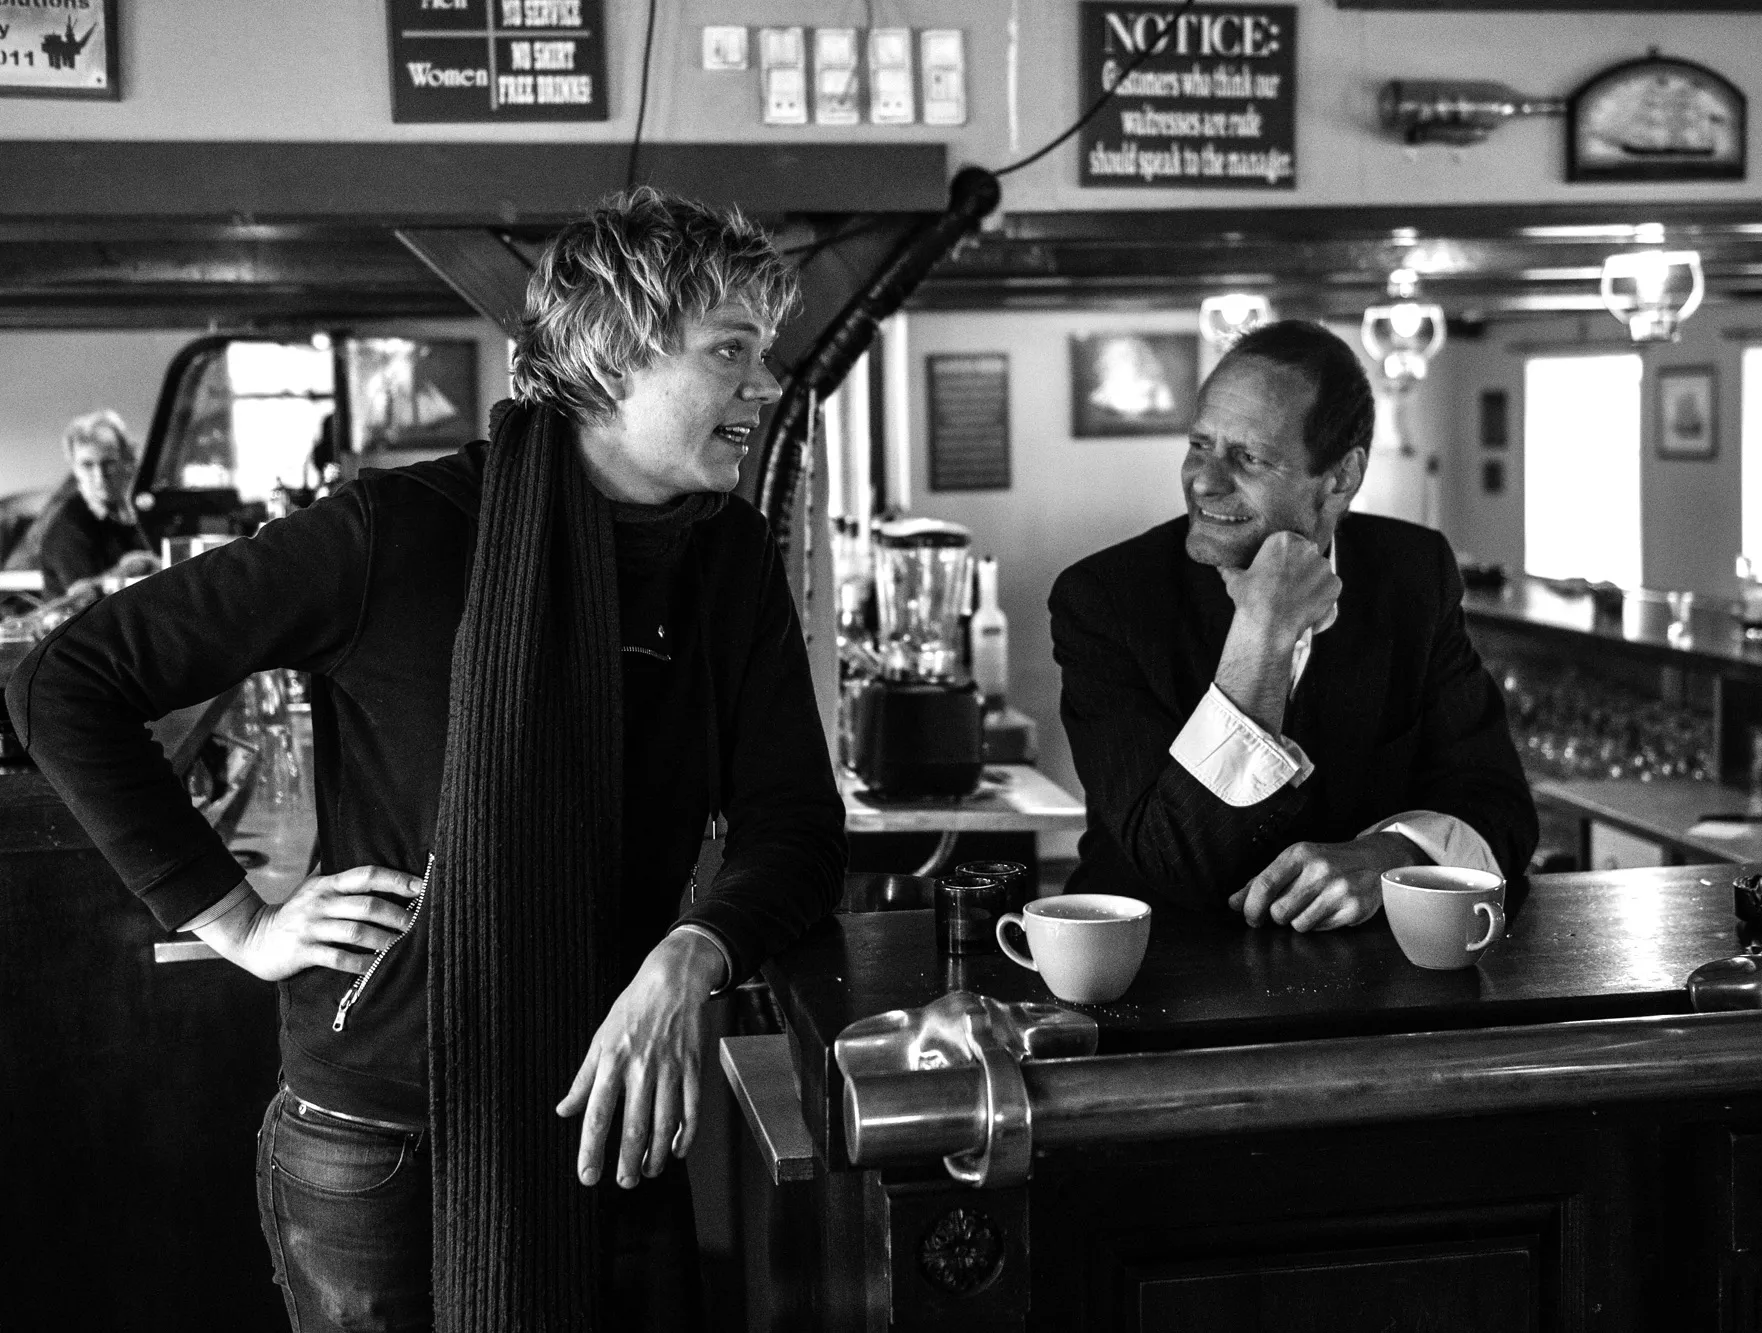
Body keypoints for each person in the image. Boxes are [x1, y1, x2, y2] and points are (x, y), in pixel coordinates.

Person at [7, 189, 846, 1331]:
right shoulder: (397, 531)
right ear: (612, 356)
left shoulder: (728, 561)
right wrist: (237, 921)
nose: (768, 384)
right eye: (732, 351)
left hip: (607, 1105)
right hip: (380, 1136)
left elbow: (796, 826)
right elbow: (64, 682)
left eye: (765, 352)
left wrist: (687, 958)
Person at [1049, 320, 1536, 931]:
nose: (1203, 480)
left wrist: (1394, 857)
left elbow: (1500, 808)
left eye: (1248, 458)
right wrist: (1263, 631)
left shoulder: (1414, 573)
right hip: (1153, 961)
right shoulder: (1106, 599)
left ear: (1341, 478)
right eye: (1199, 444)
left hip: (1369, 971)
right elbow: (1174, 857)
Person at [36, 408, 156, 598]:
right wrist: (130, 569)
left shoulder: (133, 513)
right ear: (75, 468)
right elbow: (83, 600)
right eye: (87, 465)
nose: (99, 476)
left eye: (108, 463)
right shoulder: (69, 526)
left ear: (126, 461)